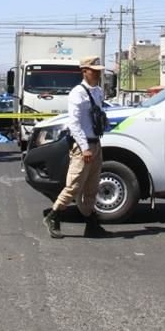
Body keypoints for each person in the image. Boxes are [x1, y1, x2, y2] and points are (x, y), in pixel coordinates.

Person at [42, 56, 108, 239]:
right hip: (83, 146)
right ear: (84, 71)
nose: (97, 74)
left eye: (99, 71)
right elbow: (74, 124)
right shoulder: (77, 93)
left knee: (92, 188)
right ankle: (53, 216)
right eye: (94, 71)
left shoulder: (98, 92)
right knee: (74, 186)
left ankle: (91, 224)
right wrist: (85, 147)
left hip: (96, 143)